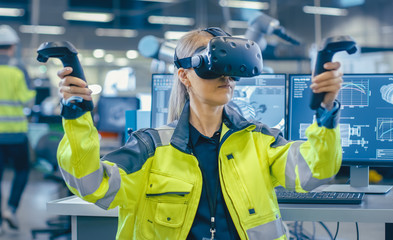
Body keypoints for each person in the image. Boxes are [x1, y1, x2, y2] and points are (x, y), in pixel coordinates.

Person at [56, 27, 342, 239]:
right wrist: (78, 117)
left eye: (230, 69)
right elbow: (91, 184)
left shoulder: (259, 141)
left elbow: (315, 172)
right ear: (184, 75)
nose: (225, 78)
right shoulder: (151, 148)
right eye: (213, 65)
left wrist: (326, 112)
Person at [0, 25, 35, 234]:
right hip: (16, 134)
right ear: (13, 47)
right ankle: (11, 209)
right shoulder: (18, 69)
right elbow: (28, 100)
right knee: (22, 171)